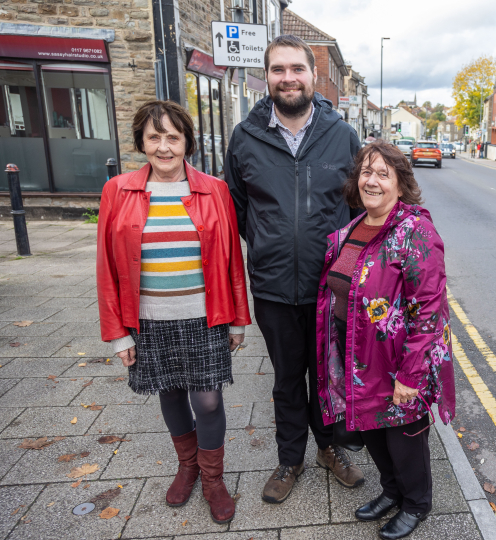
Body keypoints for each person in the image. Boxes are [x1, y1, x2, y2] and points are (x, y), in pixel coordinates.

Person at [225, 34, 365, 505]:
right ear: (267, 77)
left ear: (312, 74)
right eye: (278, 69)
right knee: (287, 378)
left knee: (326, 375)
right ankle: (290, 458)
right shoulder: (246, 138)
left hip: (330, 288)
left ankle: (329, 448)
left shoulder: (341, 135)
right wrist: (271, 244)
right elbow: (239, 210)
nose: (288, 78)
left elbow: (359, 208)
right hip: (272, 287)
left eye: (296, 69)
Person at [97, 100, 251, 524]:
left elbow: (232, 260)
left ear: (187, 142)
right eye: (154, 137)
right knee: (169, 392)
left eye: (173, 137)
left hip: (204, 315)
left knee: (208, 399)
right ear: (141, 143)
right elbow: (107, 266)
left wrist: (239, 318)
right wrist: (118, 333)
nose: (164, 147)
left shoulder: (214, 190)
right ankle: (188, 466)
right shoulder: (118, 190)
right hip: (148, 318)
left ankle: (213, 478)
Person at [316, 141, 456, 539]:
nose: (372, 181)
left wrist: (411, 376)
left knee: (404, 439)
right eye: (366, 171)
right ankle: (392, 491)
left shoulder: (416, 232)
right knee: (373, 431)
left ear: (400, 184)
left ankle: (416, 503)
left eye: (383, 173)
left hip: (398, 362)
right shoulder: (354, 227)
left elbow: (430, 310)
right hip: (357, 353)